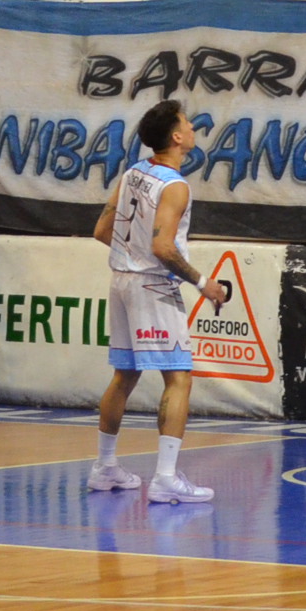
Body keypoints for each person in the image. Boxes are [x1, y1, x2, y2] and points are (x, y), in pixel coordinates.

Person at [88, 99, 225, 504]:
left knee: (124, 376)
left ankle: (104, 467)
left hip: (121, 281)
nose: (193, 126)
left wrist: (131, 254)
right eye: (187, 122)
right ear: (177, 137)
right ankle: (165, 478)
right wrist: (203, 282)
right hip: (151, 285)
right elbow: (163, 247)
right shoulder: (175, 185)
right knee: (179, 377)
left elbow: (101, 230)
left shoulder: (132, 172)